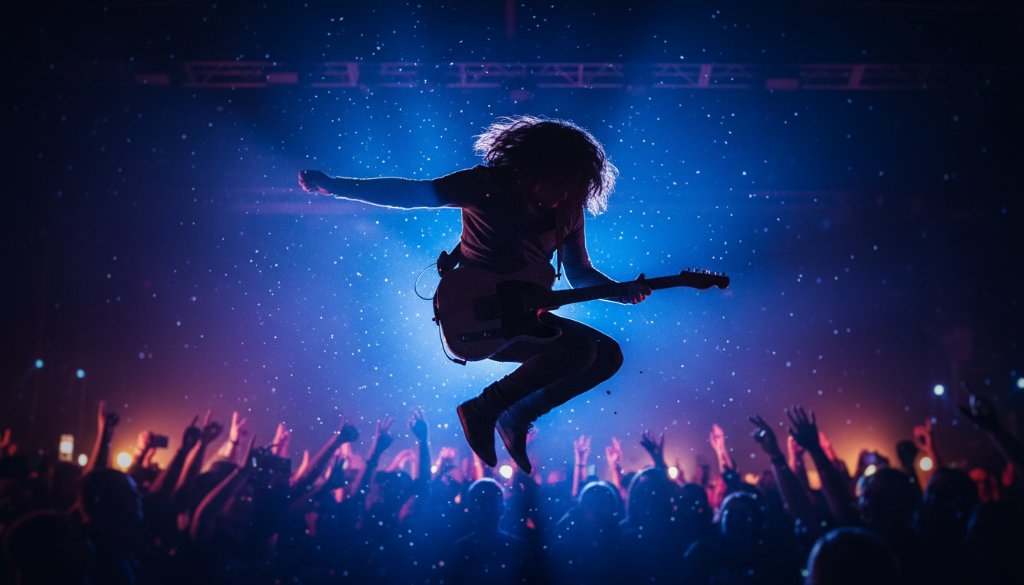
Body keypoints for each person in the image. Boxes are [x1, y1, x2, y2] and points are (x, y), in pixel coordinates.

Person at [298, 115, 651, 474]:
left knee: (607, 355)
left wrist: (620, 293)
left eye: (572, 188)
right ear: (539, 168)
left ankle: (517, 414)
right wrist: (336, 186)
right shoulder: (487, 185)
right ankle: (484, 408)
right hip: (476, 317)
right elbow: (411, 194)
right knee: (580, 349)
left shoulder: (568, 210)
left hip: (525, 318)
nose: (563, 196)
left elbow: (579, 273)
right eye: (560, 184)